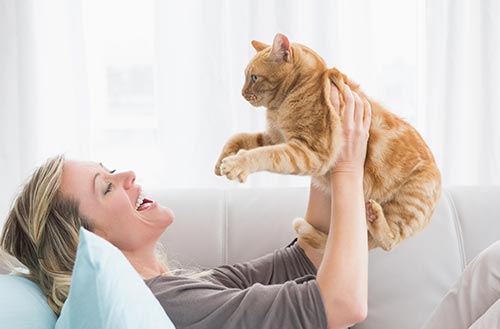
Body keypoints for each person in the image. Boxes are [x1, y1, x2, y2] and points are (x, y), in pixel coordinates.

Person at [0, 84, 371, 329]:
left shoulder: (175, 287)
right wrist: (347, 169)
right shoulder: (169, 304)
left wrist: (323, 140)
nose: (127, 174)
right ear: (87, 242)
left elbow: (306, 257)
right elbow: (342, 305)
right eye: (107, 187)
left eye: (110, 170)